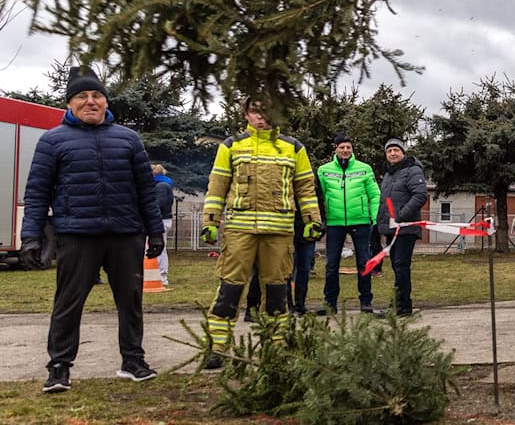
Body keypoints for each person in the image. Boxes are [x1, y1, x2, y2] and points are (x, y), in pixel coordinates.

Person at [19, 68, 164, 393]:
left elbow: (145, 189)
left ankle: (133, 360)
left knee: (130, 301)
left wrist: (155, 232)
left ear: (105, 101)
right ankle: (59, 368)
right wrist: (30, 236)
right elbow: (37, 192)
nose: (90, 101)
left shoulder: (128, 139)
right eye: (82, 96)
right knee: (68, 303)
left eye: (96, 95)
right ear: (69, 103)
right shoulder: (52, 141)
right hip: (77, 236)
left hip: (125, 235)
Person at [199, 96, 324, 369]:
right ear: (246, 114)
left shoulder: (294, 148)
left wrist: (312, 219)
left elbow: (305, 187)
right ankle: (218, 346)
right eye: (255, 110)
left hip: (279, 232)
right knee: (229, 289)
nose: (261, 116)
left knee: (277, 291)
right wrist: (210, 220)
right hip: (238, 231)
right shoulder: (231, 146)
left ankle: (276, 347)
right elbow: (217, 185)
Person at [317, 133, 380, 314]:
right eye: (341, 147)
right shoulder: (324, 170)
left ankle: (366, 302)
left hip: (360, 221)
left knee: (364, 262)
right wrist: (321, 219)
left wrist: (374, 219)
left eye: (348, 147)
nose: (345, 150)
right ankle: (330, 304)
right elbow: (318, 195)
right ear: (335, 149)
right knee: (331, 265)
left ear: (352, 150)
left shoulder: (364, 168)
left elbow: (375, 195)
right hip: (335, 223)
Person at [375, 138, 429, 316]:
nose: (392, 153)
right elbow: (385, 202)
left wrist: (400, 216)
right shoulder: (389, 175)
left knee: (401, 266)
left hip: (405, 228)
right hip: (392, 229)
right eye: (389, 151)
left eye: (396, 150)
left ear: (403, 152)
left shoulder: (412, 171)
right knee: (397, 267)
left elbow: (420, 195)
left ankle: (403, 307)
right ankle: (400, 303)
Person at [151, 164, 174, 287]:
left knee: (159, 247)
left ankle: (161, 275)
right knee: (161, 247)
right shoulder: (165, 185)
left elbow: (158, 205)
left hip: (161, 220)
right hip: (164, 219)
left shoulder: (160, 187)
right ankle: (160, 274)